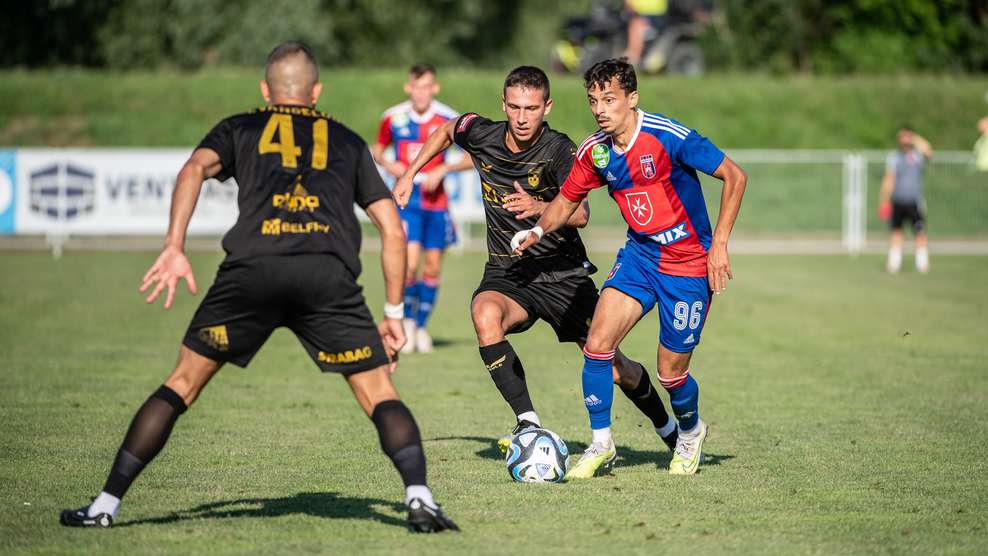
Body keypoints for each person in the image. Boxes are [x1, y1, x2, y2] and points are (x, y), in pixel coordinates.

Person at [59, 42, 458, 533]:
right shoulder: (348, 140)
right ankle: (419, 498)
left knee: (181, 383)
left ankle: (104, 506)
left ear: (266, 90)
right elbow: (393, 230)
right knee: (379, 392)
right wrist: (394, 314)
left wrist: (173, 246)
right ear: (316, 91)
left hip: (252, 270)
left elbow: (192, 169)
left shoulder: (240, 127)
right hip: (326, 275)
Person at [392, 65, 680, 460]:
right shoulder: (483, 134)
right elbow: (446, 130)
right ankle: (528, 423)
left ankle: (669, 430)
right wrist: (410, 174)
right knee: (485, 315)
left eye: (531, 108)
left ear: (547, 107)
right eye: (514, 107)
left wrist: (538, 207)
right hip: (509, 271)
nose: (522, 117)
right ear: (504, 105)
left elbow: (581, 215)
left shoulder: (561, 150)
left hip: (563, 275)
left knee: (616, 368)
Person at [514, 58, 746, 477]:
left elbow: (735, 176)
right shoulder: (595, 151)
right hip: (640, 258)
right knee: (597, 346)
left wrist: (719, 245)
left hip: (688, 264)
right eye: (593, 101)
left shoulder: (667, 136)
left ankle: (690, 432)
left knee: (670, 374)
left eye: (609, 99)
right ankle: (601, 444)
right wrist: (537, 230)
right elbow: (566, 201)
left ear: (632, 98)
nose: (600, 109)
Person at [373, 64, 473, 354]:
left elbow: (471, 157)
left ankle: (420, 327)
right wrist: (390, 164)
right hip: (408, 202)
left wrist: (444, 168)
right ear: (408, 88)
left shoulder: (448, 118)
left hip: (437, 203)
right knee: (409, 264)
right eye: (416, 87)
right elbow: (378, 151)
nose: (420, 93)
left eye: (426, 87)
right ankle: (405, 322)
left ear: (434, 88)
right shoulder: (393, 117)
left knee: (432, 267)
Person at [877, 126, 933, 274]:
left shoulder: (917, 155)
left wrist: (913, 138)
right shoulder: (895, 157)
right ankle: (894, 261)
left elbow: (928, 150)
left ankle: (922, 262)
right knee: (896, 231)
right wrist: (884, 199)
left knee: (919, 231)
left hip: (914, 201)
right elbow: (889, 179)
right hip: (898, 201)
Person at [623, 0, 667, 67]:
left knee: (637, 27)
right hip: (640, 14)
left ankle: (633, 58)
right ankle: (632, 56)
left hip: (654, 15)